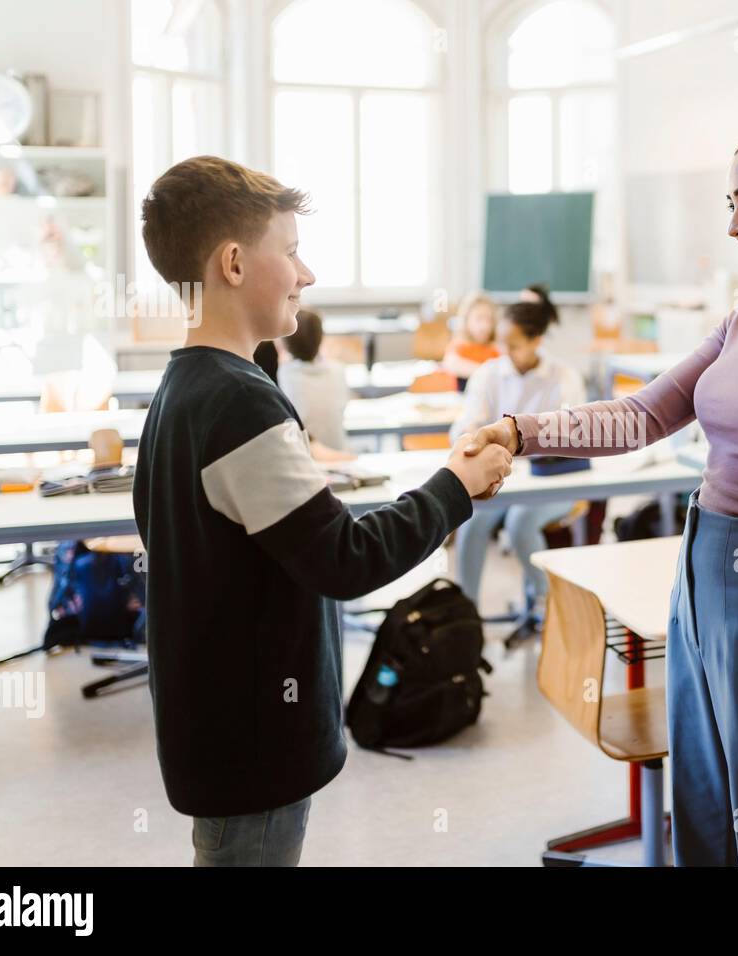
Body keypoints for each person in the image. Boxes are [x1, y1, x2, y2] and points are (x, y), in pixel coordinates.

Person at [463, 119, 738, 866]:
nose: (734, 224)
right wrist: (518, 430)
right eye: (730, 204)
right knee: (704, 819)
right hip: (701, 587)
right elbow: (641, 415)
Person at [132, 155, 513, 867]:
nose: (306, 274)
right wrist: (454, 485)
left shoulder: (188, 386)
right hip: (251, 741)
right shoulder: (236, 403)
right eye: (293, 250)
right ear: (236, 263)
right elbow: (345, 557)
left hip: (213, 726)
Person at [449, 299, 585, 613]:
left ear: (537, 340)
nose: (506, 352)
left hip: (552, 482)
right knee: (471, 524)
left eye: (515, 345)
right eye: (503, 344)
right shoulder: (489, 374)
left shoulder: (565, 377)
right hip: (502, 480)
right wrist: (472, 440)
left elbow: (575, 436)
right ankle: (466, 613)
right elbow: (465, 426)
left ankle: (548, 606)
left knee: (521, 523)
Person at [278, 307, 353, 459]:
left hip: (307, 458)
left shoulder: (285, 373)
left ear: (285, 342)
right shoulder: (338, 369)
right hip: (339, 453)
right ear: (321, 337)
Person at [440, 292, 500, 389]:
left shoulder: (496, 348)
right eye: (479, 318)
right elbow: (451, 364)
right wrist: (488, 373)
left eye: (489, 319)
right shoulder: (459, 345)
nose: (484, 326)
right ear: (466, 319)